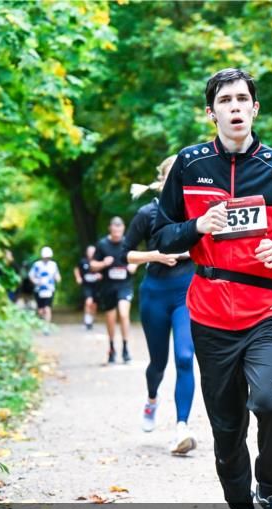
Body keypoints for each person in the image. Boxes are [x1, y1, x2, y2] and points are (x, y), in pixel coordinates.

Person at [152, 68, 272, 509]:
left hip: (264, 308)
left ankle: (271, 492)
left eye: (244, 99)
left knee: (271, 402)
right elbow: (162, 235)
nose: (236, 107)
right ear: (212, 112)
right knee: (226, 428)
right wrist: (198, 226)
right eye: (226, 100)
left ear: (255, 108)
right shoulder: (188, 164)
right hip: (208, 313)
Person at [126, 157, 198, 453]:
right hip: (154, 292)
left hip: (186, 291)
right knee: (158, 363)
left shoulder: (197, 212)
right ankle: (152, 399)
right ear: (163, 179)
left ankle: (182, 428)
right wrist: (155, 256)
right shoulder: (148, 212)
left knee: (185, 356)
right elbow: (126, 254)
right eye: (173, 175)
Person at [90, 218, 137, 364]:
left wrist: (133, 266)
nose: (117, 232)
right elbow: (92, 265)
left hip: (125, 285)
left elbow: (136, 259)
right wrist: (103, 263)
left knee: (123, 314)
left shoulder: (128, 242)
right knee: (110, 318)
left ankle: (125, 348)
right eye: (114, 229)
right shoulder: (102, 244)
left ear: (123, 229)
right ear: (110, 228)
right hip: (108, 286)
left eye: (119, 229)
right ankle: (111, 348)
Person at [28, 246, 61, 326]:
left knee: (47, 308)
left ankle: (47, 326)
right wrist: (36, 282)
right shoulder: (37, 265)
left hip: (50, 289)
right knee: (41, 309)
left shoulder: (53, 265)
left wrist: (58, 279)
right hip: (39, 290)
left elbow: (57, 275)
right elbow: (31, 275)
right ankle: (42, 320)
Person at [73, 245, 101, 331]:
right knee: (88, 301)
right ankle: (87, 321)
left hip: (96, 286)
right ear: (86, 253)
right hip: (86, 285)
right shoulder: (83, 261)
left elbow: (104, 271)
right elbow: (76, 269)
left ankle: (91, 319)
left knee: (94, 305)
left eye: (93, 252)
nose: (91, 253)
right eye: (89, 252)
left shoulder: (98, 262)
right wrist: (78, 278)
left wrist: (100, 275)